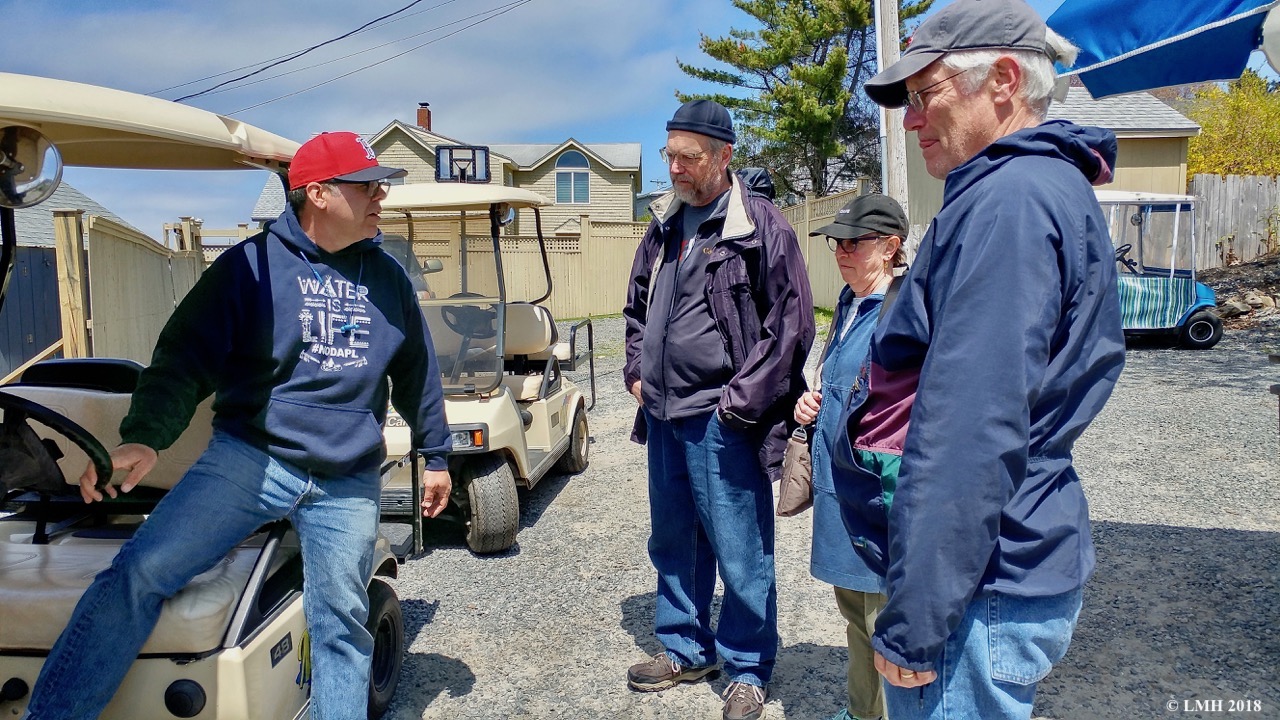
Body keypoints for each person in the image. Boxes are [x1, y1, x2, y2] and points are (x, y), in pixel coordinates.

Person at [23, 131, 453, 720]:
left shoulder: (389, 280)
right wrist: (146, 436)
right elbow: (184, 357)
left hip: (347, 478)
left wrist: (435, 456)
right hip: (253, 458)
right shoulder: (248, 268)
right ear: (319, 193)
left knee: (341, 625)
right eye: (365, 185)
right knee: (139, 572)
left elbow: (417, 372)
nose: (380, 194)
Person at [832, 1, 1127, 718]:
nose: (909, 120)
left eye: (924, 94)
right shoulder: (1019, 191)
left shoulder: (1010, 205)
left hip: (977, 584)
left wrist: (913, 623)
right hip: (984, 569)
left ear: (1001, 79)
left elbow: (970, 431)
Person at [622, 99, 814, 720]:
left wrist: (742, 402)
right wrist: (634, 370)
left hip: (722, 417)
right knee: (674, 538)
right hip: (664, 414)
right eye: (669, 154)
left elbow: (790, 326)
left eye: (689, 156)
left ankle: (748, 667)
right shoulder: (663, 225)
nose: (675, 167)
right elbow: (634, 309)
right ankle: (684, 647)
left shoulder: (759, 225)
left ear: (724, 156)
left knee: (740, 546)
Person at [793, 194, 908, 720]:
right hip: (842, 486)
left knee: (886, 621)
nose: (841, 251)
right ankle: (864, 711)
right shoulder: (848, 300)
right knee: (856, 613)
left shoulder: (905, 309)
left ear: (890, 247)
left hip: (878, 489)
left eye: (853, 242)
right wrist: (812, 397)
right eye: (837, 242)